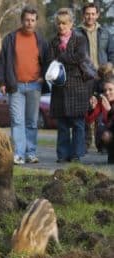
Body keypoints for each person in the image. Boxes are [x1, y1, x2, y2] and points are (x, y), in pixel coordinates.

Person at [0, 5, 47, 165]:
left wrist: (43, 77)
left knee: (32, 121)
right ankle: (18, 154)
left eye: (32, 20)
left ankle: (31, 153)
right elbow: (3, 61)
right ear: (22, 20)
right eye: (27, 20)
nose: (29, 23)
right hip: (15, 86)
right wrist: (2, 81)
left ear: (36, 22)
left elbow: (48, 62)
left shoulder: (41, 41)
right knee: (17, 120)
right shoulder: (11, 39)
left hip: (34, 86)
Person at [47, 8, 95, 163]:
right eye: (59, 23)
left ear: (71, 23)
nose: (61, 26)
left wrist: (61, 58)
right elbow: (49, 61)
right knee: (62, 125)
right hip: (60, 87)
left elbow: (80, 57)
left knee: (78, 124)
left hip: (78, 86)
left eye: (64, 23)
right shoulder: (53, 42)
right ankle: (62, 155)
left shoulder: (80, 39)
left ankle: (76, 154)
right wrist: (65, 59)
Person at [76, 1, 114, 151]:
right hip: (85, 77)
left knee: (104, 109)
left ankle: (101, 144)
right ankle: (85, 143)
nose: (90, 17)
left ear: (97, 14)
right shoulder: (76, 33)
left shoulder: (106, 33)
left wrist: (109, 66)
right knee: (88, 109)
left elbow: (112, 54)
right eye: (87, 14)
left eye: (93, 14)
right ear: (83, 15)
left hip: (103, 76)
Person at [86, 76, 114, 163]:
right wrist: (92, 108)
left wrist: (110, 110)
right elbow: (89, 119)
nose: (107, 92)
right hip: (111, 134)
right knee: (103, 131)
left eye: (110, 89)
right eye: (105, 90)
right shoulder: (103, 101)